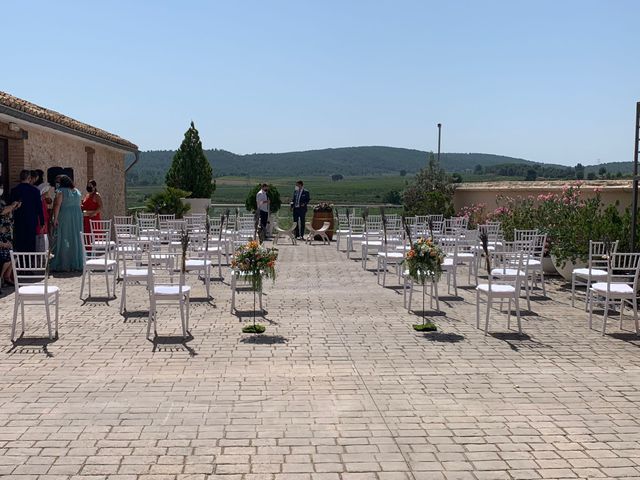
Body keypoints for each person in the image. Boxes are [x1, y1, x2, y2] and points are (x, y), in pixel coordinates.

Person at [49, 175, 84, 272]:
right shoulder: (77, 191)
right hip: (77, 216)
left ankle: (62, 263)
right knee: (74, 238)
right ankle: (75, 262)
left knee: (62, 236)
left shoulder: (60, 191)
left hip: (65, 215)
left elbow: (57, 205)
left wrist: (54, 218)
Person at [9, 169, 44, 252]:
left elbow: (10, 206)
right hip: (31, 220)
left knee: (20, 242)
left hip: (19, 220)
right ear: (29, 178)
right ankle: (29, 262)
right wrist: (42, 222)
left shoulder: (14, 190)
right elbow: (39, 207)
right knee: (31, 243)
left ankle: (20, 261)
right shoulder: (35, 191)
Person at [0, 200, 20, 286]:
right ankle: (1, 278)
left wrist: (13, 207)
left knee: (14, 255)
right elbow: (2, 210)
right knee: (7, 256)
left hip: (6, 236)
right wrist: (12, 206)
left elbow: (10, 219)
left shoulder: (7, 216)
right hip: (2, 238)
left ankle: (7, 276)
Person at [33, 169, 52, 251]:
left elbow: (49, 201)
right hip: (38, 209)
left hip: (43, 207)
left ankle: (43, 250)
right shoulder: (33, 188)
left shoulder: (44, 187)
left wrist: (46, 196)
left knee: (44, 230)